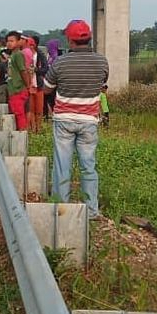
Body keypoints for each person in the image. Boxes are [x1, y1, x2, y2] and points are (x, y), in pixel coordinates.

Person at [44, 20, 109, 219]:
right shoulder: (101, 61)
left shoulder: (60, 62)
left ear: (70, 40)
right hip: (89, 120)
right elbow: (102, 85)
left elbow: (47, 87)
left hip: (64, 119)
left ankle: (60, 208)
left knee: (62, 164)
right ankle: (91, 210)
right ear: (88, 38)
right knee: (88, 165)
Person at [6, 31, 30, 131]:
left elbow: (23, 71)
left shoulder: (18, 55)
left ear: (19, 41)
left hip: (18, 89)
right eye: (8, 41)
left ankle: (22, 139)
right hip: (13, 89)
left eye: (12, 41)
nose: (9, 43)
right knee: (17, 115)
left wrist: (28, 86)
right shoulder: (12, 55)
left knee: (19, 116)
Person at [28, 35, 48, 133]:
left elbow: (45, 69)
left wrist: (36, 70)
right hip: (29, 84)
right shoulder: (25, 54)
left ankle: (38, 128)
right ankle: (32, 128)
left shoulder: (40, 55)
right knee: (31, 108)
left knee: (39, 109)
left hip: (38, 84)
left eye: (31, 44)